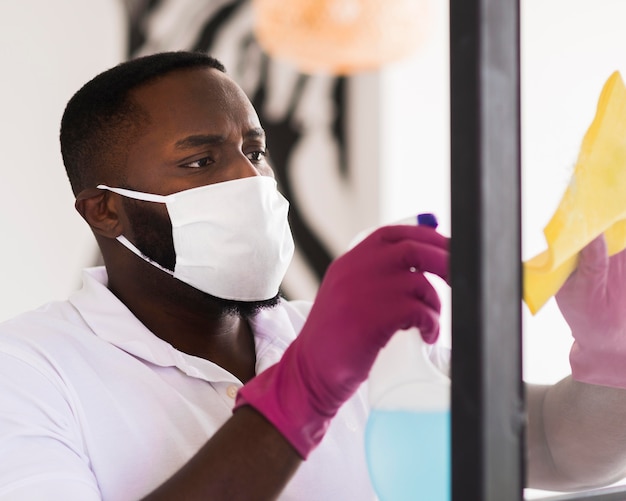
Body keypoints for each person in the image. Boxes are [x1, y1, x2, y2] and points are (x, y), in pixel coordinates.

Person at [0, 50, 624, 500]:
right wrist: (304, 390)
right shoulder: (30, 369)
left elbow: (548, 446)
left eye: (255, 150)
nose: (249, 179)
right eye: (200, 160)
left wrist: (611, 360)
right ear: (104, 209)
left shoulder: (349, 341)